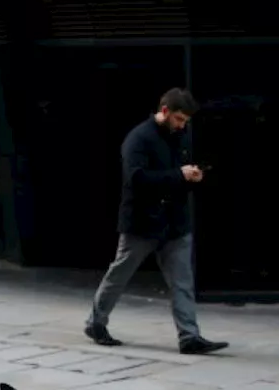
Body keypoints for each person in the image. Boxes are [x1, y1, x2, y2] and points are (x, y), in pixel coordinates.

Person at [86, 88, 227, 355]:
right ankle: (95, 322)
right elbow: (137, 179)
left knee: (182, 282)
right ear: (164, 111)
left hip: (175, 222)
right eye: (179, 119)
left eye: (185, 121)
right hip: (142, 223)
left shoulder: (180, 136)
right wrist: (179, 175)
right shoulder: (138, 139)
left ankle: (189, 336)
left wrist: (191, 176)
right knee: (120, 274)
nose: (182, 125)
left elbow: (177, 175)